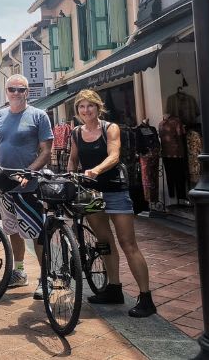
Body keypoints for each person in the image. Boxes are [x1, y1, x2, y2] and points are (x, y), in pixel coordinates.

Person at [68, 89, 155, 317]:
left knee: (128, 243)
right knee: (104, 242)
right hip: (89, 194)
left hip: (115, 190)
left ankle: (146, 297)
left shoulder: (109, 128)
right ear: (77, 111)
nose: (86, 110)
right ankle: (114, 288)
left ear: (98, 107)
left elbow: (114, 155)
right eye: (82, 107)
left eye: (90, 106)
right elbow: (73, 159)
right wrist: (70, 177)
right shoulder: (76, 133)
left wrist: (96, 170)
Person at [0, 74, 53, 300]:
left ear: (27, 92)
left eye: (21, 90)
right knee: (13, 231)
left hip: (28, 186)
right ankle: (19, 272)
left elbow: (46, 151)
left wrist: (29, 171)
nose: (16, 93)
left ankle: (45, 277)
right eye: (12, 89)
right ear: (7, 91)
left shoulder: (39, 116)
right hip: (5, 185)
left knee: (36, 233)